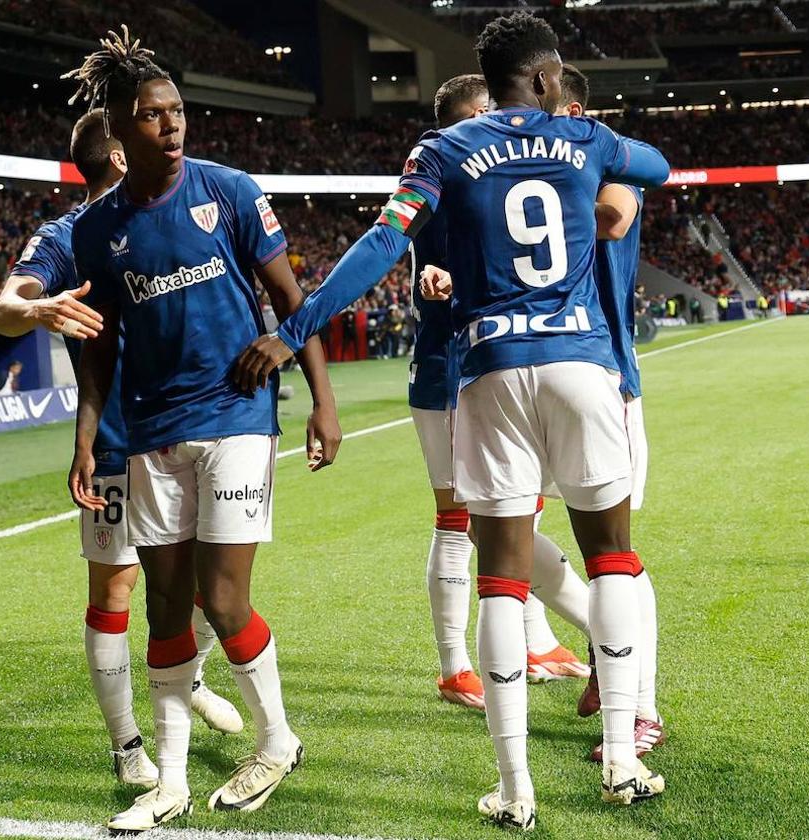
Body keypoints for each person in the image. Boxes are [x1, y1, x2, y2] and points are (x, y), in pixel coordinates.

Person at [234, 12, 670, 829]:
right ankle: (622, 756)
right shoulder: (585, 139)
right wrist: (587, 139)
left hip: (489, 371)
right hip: (582, 362)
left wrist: (296, 329)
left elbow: (378, 242)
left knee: (500, 575)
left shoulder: (442, 151)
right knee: (613, 556)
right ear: (545, 78)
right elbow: (658, 164)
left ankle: (514, 788)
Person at [62, 27, 341, 831]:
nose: (173, 126)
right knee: (165, 610)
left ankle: (278, 739)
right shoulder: (96, 232)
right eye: (153, 115)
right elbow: (100, 347)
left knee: (223, 600)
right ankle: (170, 783)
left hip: (236, 417)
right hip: (150, 432)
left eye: (178, 111)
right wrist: (89, 432)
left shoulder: (230, 191)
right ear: (121, 128)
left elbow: (296, 301)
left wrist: (321, 400)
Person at [0, 107, 242, 791]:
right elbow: (3, 307)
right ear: (122, 157)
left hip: (190, 425)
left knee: (211, 587)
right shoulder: (70, 234)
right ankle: (128, 746)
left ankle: (184, 679)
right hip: (115, 441)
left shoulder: (175, 207)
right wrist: (39, 309)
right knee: (118, 587)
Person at [407, 74, 589, 714]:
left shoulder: (498, 176)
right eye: (477, 116)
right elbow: (420, 262)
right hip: (448, 367)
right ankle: (455, 665)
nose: (493, 125)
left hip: (501, 363)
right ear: (449, 128)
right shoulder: (437, 175)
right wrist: (432, 279)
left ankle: (537, 639)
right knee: (462, 519)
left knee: (525, 508)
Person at [556, 63, 663, 762]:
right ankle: (603, 641)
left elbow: (616, 216)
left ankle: (642, 707)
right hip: (524, 379)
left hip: (606, 381)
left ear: (569, 110)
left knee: (613, 552)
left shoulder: (607, 157)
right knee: (487, 536)